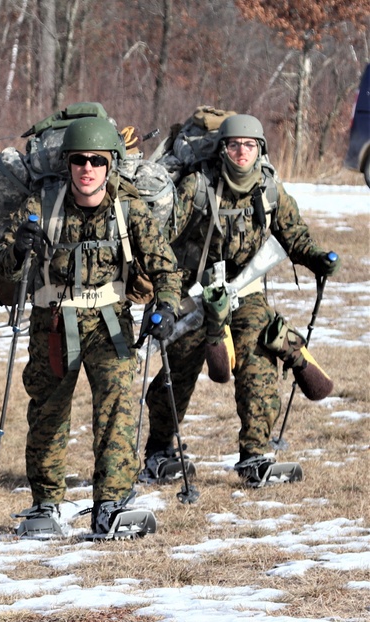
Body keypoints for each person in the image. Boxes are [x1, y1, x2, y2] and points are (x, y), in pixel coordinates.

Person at [0, 117, 181, 538]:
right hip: (52, 324)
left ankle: (111, 504)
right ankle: (45, 505)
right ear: (68, 164)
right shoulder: (41, 205)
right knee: (49, 414)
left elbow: (165, 266)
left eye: (96, 160)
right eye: (79, 160)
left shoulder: (129, 209)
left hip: (110, 323)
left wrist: (166, 307)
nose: (87, 168)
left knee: (117, 410)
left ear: (110, 165)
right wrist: (18, 250)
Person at [141, 114, 341, 487]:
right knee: (180, 367)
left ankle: (255, 454)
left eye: (250, 145)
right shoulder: (198, 185)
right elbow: (162, 238)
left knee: (260, 354)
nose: (242, 152)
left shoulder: (269, 188)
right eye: (234, 145)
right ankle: (159, 452)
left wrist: (317, 258)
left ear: (260, 149)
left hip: (244, 289)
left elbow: (293, 235)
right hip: (193, 291)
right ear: (222, 149)